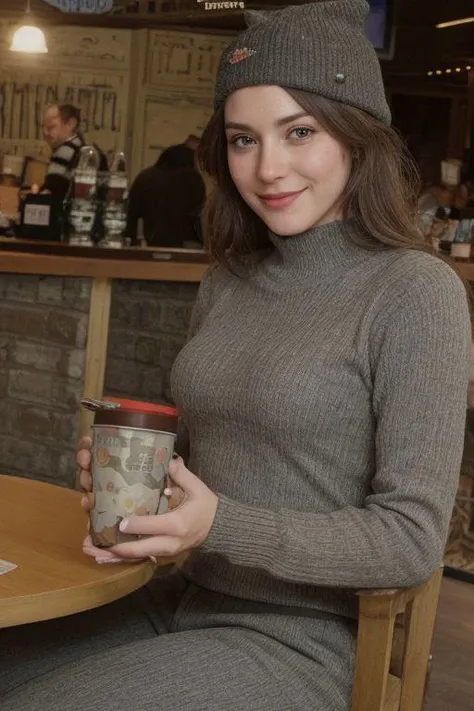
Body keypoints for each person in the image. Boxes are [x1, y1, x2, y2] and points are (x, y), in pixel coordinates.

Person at [1, 2, 470, 710]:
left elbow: (409, 539)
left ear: (358, 137)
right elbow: (202, 456)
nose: (267, 167)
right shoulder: (230, 278)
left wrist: (218, 524)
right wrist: (142, 485)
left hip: (304, 639)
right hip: (175, 595)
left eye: (300, 132)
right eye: (244, 139)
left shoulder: (414, 291)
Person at [126, 142, 206, 246]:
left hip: (148, 246)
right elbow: (199, 218)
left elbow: (132, 216)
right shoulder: (193, 179)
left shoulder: (145, 177)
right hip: (185, 248)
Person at [42, 103, 108, 202]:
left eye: (51, 127)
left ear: (71, 124)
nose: (45, 133)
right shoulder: (88, 151)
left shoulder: (66, 150)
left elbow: (50, 193)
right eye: (43, 127)